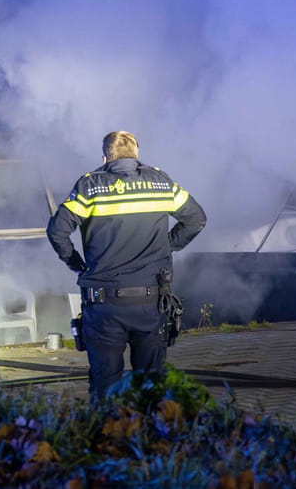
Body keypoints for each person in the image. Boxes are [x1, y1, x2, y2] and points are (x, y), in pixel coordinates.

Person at [46, 131, 207, 399]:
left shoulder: (90, 187)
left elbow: (57, 232)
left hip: (104, 305)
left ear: (105, 157)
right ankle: (150, 438)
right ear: (136, 154)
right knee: (152, 388)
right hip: (151, 303)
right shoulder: (161, 183)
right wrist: (166, 246)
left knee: (105, 388)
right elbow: (197, 219)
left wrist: (77, 265)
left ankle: (109, 437)